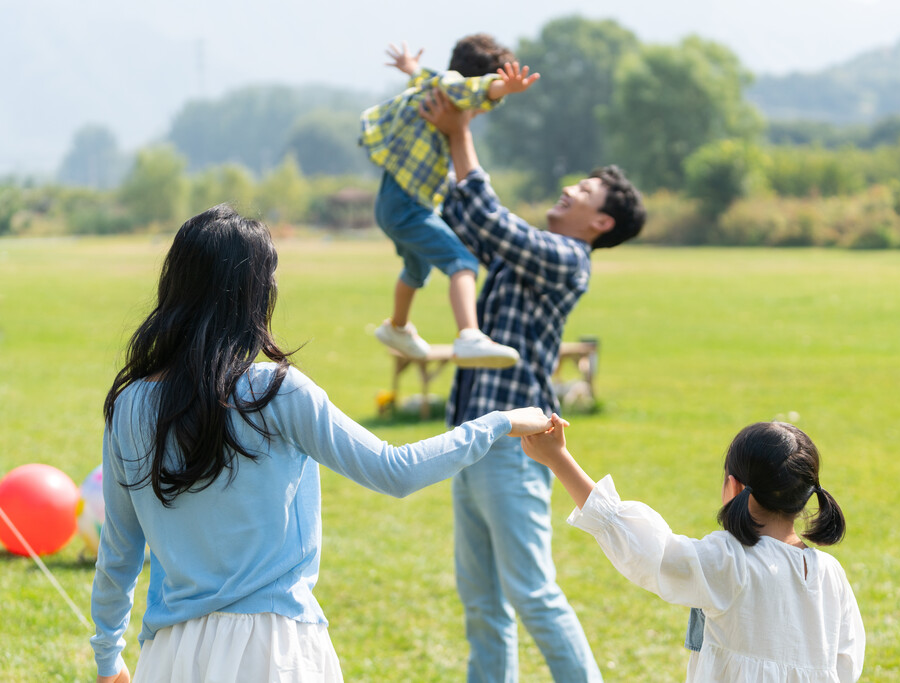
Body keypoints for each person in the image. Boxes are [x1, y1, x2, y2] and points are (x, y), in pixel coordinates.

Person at [89, 204, 559, 683]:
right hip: (276, 650)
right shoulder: (276, 389)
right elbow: (394, 471)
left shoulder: (129, 403)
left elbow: (119, 552)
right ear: (255, 293)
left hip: (171, 655)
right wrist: (498, 423)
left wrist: (108, 658)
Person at [419, 90, 646, 682]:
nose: (569, 188)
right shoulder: (533, 257)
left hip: (512, 449)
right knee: (483, 604)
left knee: (533, 595)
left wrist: (460, 131)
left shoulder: (568, 259)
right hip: (471, 440)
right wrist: (449, 131)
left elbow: (492, 224)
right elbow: (473, 221)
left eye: (586, 191)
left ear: (600, 223)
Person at [521, 418, 866, 682]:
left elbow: (650, 550)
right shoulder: (830, 572)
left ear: (734, 487)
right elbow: (846, 663)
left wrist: (559, 459)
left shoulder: (731, 561)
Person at [359, 36, 539, 367]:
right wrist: (504, 87)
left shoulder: (434, 84)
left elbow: (418, 74)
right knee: (463, 262)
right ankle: (469, 335)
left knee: (416, 268)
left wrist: (409, 64)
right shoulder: (454, 89)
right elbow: (479, 90)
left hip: (395, 203)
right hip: (407, 205)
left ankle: (397, 328)